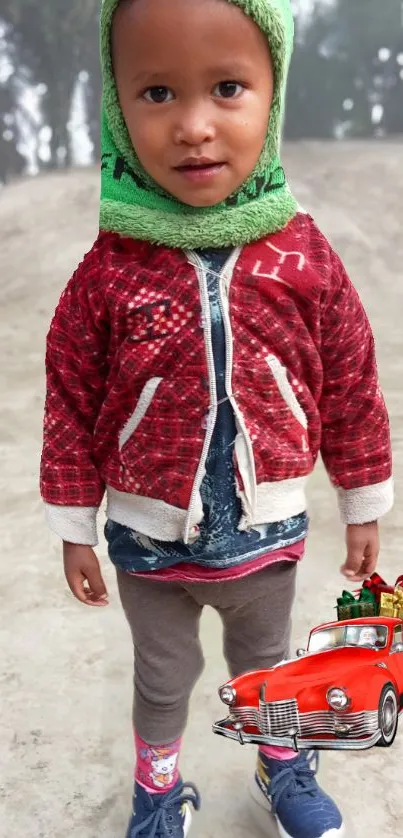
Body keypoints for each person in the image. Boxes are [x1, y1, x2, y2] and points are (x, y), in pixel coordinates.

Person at [40, 1, 394, 836]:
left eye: (227, 87)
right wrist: (73, 523)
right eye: (156, 92)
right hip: (148, 541)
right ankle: (157, 798)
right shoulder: (107, 271)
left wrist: (361, 499)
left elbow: (348, 379)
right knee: (161, 681)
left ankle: (282, 773)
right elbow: (69, 398)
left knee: (267, 668)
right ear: (117, 110)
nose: (194, 127)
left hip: (267, 536)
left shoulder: (302, 256)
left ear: (271, 96)